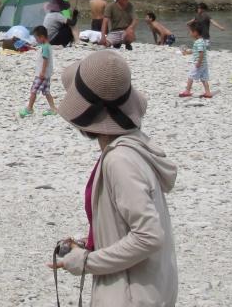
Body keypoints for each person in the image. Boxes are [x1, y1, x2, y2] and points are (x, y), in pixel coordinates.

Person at [52, 49, 178, 306]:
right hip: (149, 289)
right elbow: (128, 223)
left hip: (130, 296)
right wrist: (89, 242)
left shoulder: (119, 160)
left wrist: (86, 262)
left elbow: (149, 236)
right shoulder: (135, 146)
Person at [20, 25, 59, 117]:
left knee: (33, 91)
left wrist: (42, 72)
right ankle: (53, 108)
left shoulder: (45, 47)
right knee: (46, 92)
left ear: (42, 37)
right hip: (46, 75)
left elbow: (45, 60)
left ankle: (29, 109)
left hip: (41, 75)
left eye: (36, 38)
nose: (36, 40)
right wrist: (32, 48)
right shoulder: (47, 46)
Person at [179, 21, 212, 98]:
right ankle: (208, 93)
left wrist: (198, 63)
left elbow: (201, 53)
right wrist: (187, 52)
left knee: (190, 76)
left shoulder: (198, 42)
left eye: (190, 31)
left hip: (199, 63)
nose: (190, 33)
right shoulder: (201, 41)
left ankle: (187, 91)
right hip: (204, 64)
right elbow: (195, 51)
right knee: (204, 78)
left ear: (196, 32)